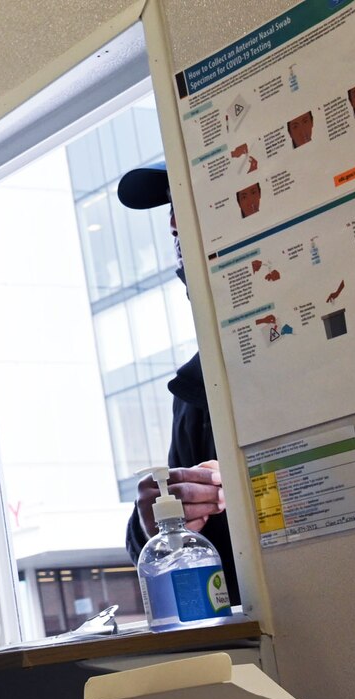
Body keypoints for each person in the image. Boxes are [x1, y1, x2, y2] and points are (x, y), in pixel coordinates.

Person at [116, 161, 240, 606]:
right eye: (171, 206)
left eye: (186, 198)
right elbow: (156, 545)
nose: (172, 221)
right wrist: (153, 522)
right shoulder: (194, 388)